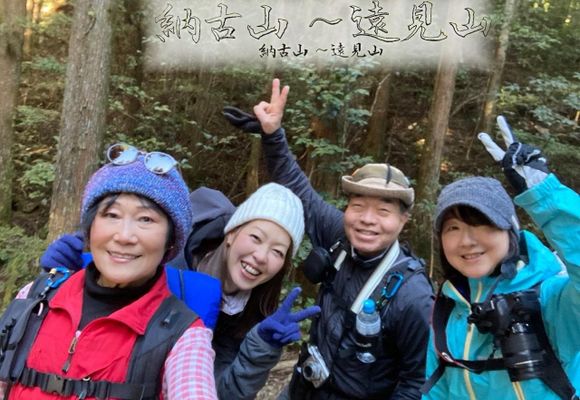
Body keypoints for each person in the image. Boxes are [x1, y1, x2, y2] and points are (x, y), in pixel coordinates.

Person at [224, 79, 435, 399]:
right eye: (358, 206)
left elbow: (415, 382)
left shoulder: (412, 294)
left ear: (403, 221)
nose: (367, 219)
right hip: (300, 390)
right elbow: (298, 189)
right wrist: (272, 134)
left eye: (383, 211)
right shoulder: (340, 236)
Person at [39, 181, 320, 399]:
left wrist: (260, 349)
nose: (261, 256)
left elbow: (217, 392)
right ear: (232, 233)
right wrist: (65, 276)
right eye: (256, 237)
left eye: (277, 251)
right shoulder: (162, 257)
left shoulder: (253, 315)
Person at [0, 143, 217, 399]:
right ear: (90, 228)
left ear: (171, 240)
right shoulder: (36, 297)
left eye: (146, 219)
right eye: (112, 215)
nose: (124, 236)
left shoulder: (184, 338)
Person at [422, 117, 579, 399]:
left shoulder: (553, 299)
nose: (466, 241)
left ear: (511, 232)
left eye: (483, 224)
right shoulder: (448, 308)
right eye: (453, 228)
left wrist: (546, 197)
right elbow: (436, 390)